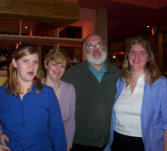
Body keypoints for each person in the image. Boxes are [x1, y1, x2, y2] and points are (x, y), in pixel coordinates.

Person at [104, 38, 167, 151]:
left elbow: (166, 123)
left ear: (149, 57)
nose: (136, 56)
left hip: (145, 144)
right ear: (128, 56)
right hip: (118, 140)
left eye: (142, 53)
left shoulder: (160, 83)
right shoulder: (121, 82)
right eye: (132, 52)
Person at [0, 46, 67, 151]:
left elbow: (57, 132)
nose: (31, 67)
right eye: (26, 61)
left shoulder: (47, 93)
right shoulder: (2, 93)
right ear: (15, 63)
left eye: (35, 62)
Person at [63, 33, 121, 151]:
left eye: (99, 44)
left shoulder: (118, 74)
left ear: (104, 47)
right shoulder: (72, 74)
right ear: (85, 50)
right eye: (90, 46)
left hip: (110, 142)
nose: (96, 49)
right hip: (80, 142)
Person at [43, 48, 76, 151]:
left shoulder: (69, 89)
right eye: (54, 64)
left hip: (60, 145)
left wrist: (67, 145)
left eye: (62, 66)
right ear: (45, 64)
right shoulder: (34, 88)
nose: (58, 69)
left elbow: (71, 122)